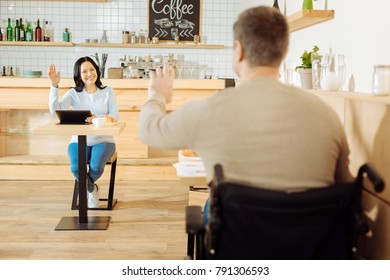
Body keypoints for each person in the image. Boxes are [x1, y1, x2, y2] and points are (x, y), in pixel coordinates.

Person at [138, 6, 353, 219]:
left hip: (238, 243)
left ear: (239, 50)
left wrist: (158, 95)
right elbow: (345, 187)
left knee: (208, 208)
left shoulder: (208, 110)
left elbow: (148, 131)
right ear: (283, 51)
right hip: (312, 245)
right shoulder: (326, 115)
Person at [48, 56, 119, 208]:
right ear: (79, 75)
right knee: (75, 168)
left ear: (97, 71)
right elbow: (56, 112)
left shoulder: (107, 92)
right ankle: (91, 189)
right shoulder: (74, 93)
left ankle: (87, 187)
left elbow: (115, 117)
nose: (89, 74)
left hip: (104, 140)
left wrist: (96, 118)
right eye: (84, 71)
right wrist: (54, 86)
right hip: (78, 140)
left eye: (92, 69)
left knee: (95, 167)